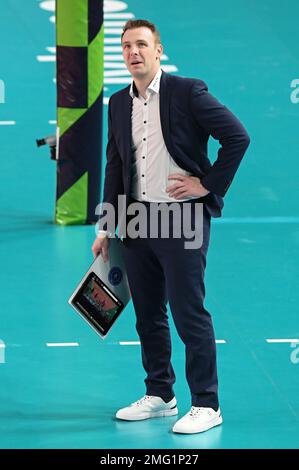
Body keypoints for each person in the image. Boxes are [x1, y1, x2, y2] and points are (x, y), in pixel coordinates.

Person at [92, 19, 250, 434]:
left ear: (159, 50)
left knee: (188, 312)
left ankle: (207, 403)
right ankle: (161, 393)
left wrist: (207, 184)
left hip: (183, 219)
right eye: (126, 46)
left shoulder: (187, 92)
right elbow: (115, 165)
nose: (133, 53)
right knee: (148, 314)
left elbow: (238, 137)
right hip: (139, 221)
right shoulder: (118, 103)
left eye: (142, 45)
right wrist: (106, 225)